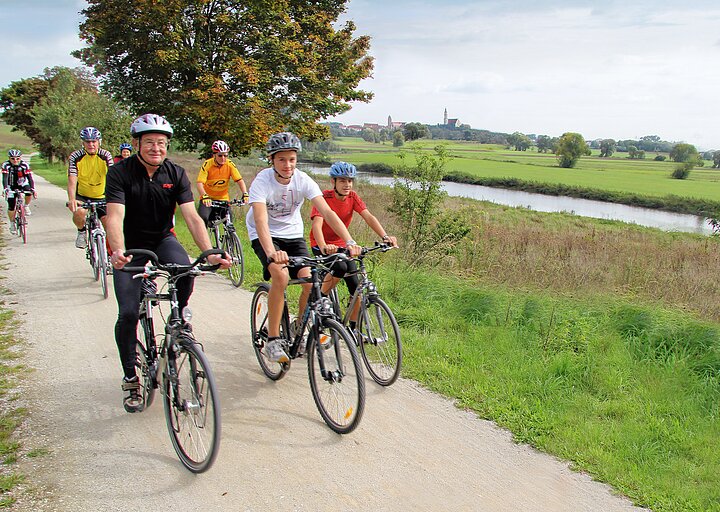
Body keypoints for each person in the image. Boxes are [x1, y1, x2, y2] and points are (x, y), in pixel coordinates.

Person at [105, 113, 231, 412]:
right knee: (127, 313)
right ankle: (130, 376)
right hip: (131, 245)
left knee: (187, 271)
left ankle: (179, 316)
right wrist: (118, 249)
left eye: (161, 143)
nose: (155, 148)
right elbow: (114, 216)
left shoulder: (175, 174)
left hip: (162, 238)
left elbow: (191, 216)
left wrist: (211, 250)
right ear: (138, 144)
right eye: (149, 142)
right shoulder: (120, 173)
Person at [246, 132, 361, 364]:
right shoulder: (262, 180)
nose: (288, 165)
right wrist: (271, 254)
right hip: (266, 235)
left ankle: (299, 325)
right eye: (281, 160)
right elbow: (260, 219)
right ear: (272, 160)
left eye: (292, 159)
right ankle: (273, 339)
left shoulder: (303, 180)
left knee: (310, 281)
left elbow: (328, 212)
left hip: (292, 234)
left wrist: (349, 241)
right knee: (280, 275)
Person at [309, 161, 398, 331]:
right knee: (340, 267)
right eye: (342, 180)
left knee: (356, 286)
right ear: (333, 182)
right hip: (322, 245)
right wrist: (323, 246)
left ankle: (353, 329)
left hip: (343, 244)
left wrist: (385, 236)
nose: (347, 184)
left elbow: (368, 217)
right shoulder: (324, 198)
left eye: (350, 181)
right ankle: (320, 298)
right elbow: (317, 226)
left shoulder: (352, 197)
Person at [67, 127, 114, 248]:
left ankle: (109, 255)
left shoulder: (105, 155)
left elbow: (113, 177)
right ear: (83, 143)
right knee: (79, 213)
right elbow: (72, 179)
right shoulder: (76, 156)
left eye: (94, 141)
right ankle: (81, 232)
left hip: (102, 195)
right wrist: (72, 199)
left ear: (99, 142)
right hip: (82, 195)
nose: (91, 144)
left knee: (110, 226)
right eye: (88, 141)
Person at [196, 139, 249, 228]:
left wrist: (245, 193)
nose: (223, 158)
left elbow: (239, 180)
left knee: (229, 223)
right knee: (202, 220)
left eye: (225, 155)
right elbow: (200, 183)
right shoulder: (207, 164)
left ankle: (230, 239)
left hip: (223, 198)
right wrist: (204, 196)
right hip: (208, 199)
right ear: (214, 155)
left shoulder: (230, 164)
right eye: (220, 155)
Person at [2, 149, 36, 232]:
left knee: (29, 191)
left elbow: (30, 178)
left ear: (20, 158)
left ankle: (26, 206)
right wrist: (5, 188)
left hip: (22, 183)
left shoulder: (24, 165)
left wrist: (33, 188)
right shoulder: (6, 165)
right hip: (11, 185)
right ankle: (12, 223)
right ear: (9, 158)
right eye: (12, 158)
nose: (15, 160)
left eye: (17, 158)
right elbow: (5, 178)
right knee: (11, 205)